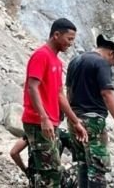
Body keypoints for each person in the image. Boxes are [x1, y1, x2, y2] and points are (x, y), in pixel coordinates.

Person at [22, 18, 89, 188]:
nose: (71, 43)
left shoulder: (57, 62)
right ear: (56, 35)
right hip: (38, 122)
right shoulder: (41, 55)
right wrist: (43, 118)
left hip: (51, 122)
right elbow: (32, 87)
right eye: (69, 39)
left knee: (52, 171)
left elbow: (60, 95)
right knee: (49, 174)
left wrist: (76, 122)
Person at [66, 34, 114, 188]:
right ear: (112, 54)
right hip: (92, 121)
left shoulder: (75, 60)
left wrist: (70, 117)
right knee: (98, 168)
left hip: (74, 120)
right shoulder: (101, 63)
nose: (111, 65)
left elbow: (68, 91)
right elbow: (107, 93)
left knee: (83, 163)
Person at [11, 131, 78, 188]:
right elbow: (78, 151)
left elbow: (13, 153)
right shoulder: (61, 133)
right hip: (54, 180)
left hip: (35, 180)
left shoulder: (31, 132)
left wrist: (26, 170)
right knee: (77, 171)